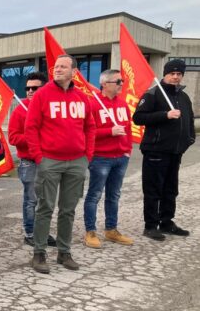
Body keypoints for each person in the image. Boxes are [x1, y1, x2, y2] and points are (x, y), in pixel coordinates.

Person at [24, 55, 95, 274]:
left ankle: (64, 252)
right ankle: (39, 253)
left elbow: (90, 127)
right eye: (56, 67)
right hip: (49, 161)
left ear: (74, 71)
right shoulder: (42, 95)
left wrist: (87, 156)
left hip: (76, 162)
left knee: (68, 209)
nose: (57, 70)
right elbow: (31, 127)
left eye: (63, 67)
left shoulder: (82, 98)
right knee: (44, 207)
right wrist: (39, 157)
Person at [133, 59, 195, 241]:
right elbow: (138, 117)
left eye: (179, 74)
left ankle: (166, 222)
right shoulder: (153, 94)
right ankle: (150, 225)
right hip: (156, 151)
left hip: (175, 152)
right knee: (153, 190)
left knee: (170, 189)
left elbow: (189, 120)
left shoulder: (183, 97)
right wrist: (165, 115)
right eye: (172, 74)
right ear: (165, 74)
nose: (175, 77)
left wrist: (189, 139)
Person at [83, 69, 134, 248]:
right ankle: (90, 231)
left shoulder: (122, 104)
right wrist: (109, 132)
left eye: (122, 81)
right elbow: (85, 132)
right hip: (100, 157)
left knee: (114, 195)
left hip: (121, 157)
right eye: (117, 81)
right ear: (104, 84)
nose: (121, 85)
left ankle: (111, 230)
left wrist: (127, 150)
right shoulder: (92, 103)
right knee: (94, 195)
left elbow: (128, 128)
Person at [7, 71, 56, 247]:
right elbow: (12, 138)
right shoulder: (21, 109)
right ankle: (30, 233)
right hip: (30, 163)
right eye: (27, 88)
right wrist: (33, 137)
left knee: (47, 200)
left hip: (50, 161)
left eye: (35, 88)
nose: (29, 91)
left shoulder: (51, 107)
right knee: (31, 200)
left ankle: (42, 232)